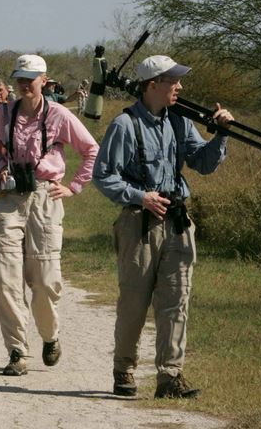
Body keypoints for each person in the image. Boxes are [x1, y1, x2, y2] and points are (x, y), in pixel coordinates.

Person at [92, 55, 233, 399]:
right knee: (134, 302)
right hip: (139, 224)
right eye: (173, 81)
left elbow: (203, 163)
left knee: (176, 300)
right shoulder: (124, 125)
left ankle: (170, 377)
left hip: (178, 222)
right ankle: (123, 370)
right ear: (152, 85)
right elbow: (103, 175)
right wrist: (140, 196)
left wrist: (221, 135)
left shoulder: (180, 121)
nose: (180, 87)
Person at [0, 55, 99, 376]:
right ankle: (17, 351)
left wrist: (74, 187)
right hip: (8, 198)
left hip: (45, 197)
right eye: (20, 78)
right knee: (6, 279)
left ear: (44, 80)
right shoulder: (4, 114)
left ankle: (50, 336)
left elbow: (91, 149)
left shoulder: (59, 115)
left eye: (30, 78)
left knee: (45, 281)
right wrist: (1, 169)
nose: (24, 84)